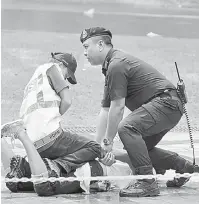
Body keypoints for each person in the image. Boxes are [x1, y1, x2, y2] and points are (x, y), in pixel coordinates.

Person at [80, 27, 199, 197]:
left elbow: (118, 108)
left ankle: (147, 182)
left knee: (127, 128)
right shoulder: (111, 67)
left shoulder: (116, 65)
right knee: (137, 147)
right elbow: (106, 110)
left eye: (86, 46)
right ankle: (182, 166)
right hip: (169, 106)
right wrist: (97, 147)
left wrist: (107, 143)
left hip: (166, 104)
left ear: (100, 44)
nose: (84, 52)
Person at [1, 52, 105, 192]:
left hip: (33, 144)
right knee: (94, 148)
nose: (66, 79)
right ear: (61, 64)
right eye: (66, 75)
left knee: (56, 158)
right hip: (50, 136)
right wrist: (56, 115)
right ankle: (58, 165)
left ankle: (25, 168)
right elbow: (67, 101)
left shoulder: (34, 79)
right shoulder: (52, 68)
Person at [1, 123, 132, 196]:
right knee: (45, 185)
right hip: (91, 171)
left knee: (17, 182)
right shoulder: (139, 171)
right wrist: (108, 157)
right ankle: (21, 135)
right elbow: (113, 154)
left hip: (85, 173)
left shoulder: (138, 169)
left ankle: (22, 165)